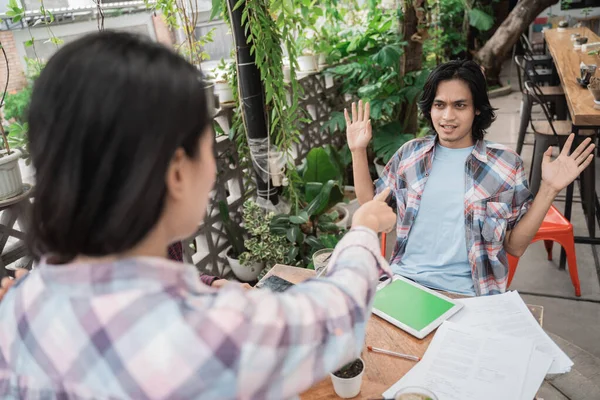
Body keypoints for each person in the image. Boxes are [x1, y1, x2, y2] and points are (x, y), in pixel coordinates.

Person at [0, 31, 397, 399]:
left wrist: (208, 285)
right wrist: (361, 229)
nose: (214, 171)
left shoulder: (17, 308)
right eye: (208, 146)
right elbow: (337, 319)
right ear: (175, 171)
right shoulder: (199, 332)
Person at [347, 59, 595, 296]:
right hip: (405, 281)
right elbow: (371, 201)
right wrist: (358, 151)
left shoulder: (505, 165)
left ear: (477, 108)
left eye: (460, 105)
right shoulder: (410, 154)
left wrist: (549, 189)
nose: (447, 117)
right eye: (439, 105)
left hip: (470, 294)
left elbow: (515, 246)